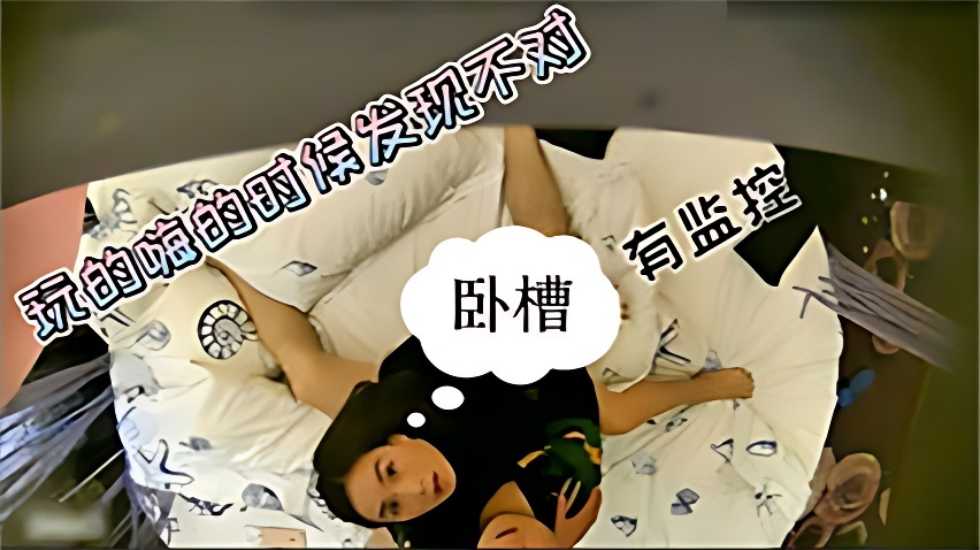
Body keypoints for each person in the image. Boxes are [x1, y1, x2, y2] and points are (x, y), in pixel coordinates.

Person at [210, 126, 755, 548]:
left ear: (395, 443)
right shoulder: (568, 501)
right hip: (539, 399)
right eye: (395, 507)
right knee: (606, 401)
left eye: (392, 474)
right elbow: (601, 413)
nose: (414, 492)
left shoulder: (425, 444)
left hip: (459, 379)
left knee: (308, 375)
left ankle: (218, 249)